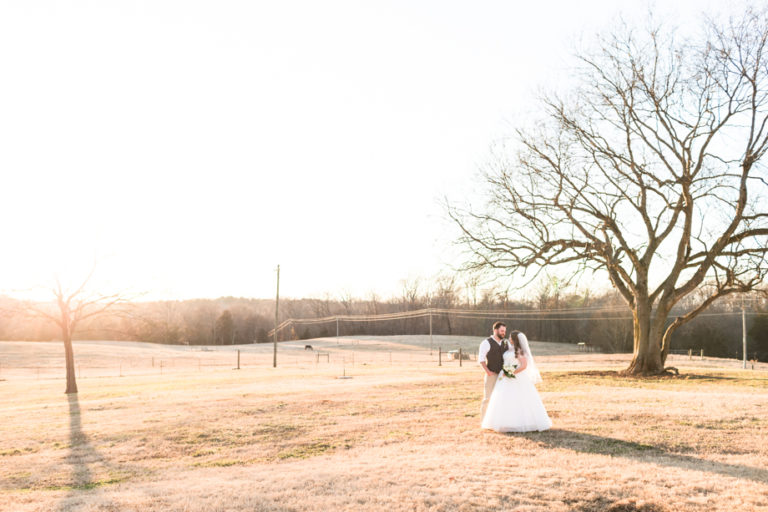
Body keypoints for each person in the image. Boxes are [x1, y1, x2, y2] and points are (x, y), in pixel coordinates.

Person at [481, 330, 552, 432]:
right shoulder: (509, 349)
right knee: (504, 399)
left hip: (516, 376)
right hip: (504, 377)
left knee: (518, 399)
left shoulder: (519, 351)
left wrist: (510, 372)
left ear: (515, 339)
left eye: (510, 337)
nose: (509, 338)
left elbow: (524, 366)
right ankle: (504, 422)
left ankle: (520, 423)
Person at [478, 321, 508, 423]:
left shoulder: (505, 343)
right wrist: (488, 372)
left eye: (504, 331)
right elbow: (481, 359)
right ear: (495, 330)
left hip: (503, 376)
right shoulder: (486, 342)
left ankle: (497, 420)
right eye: (502, 331)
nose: (504, 333)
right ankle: (484, 422)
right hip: (491, 375)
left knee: (501, 398)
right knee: (488, 398)